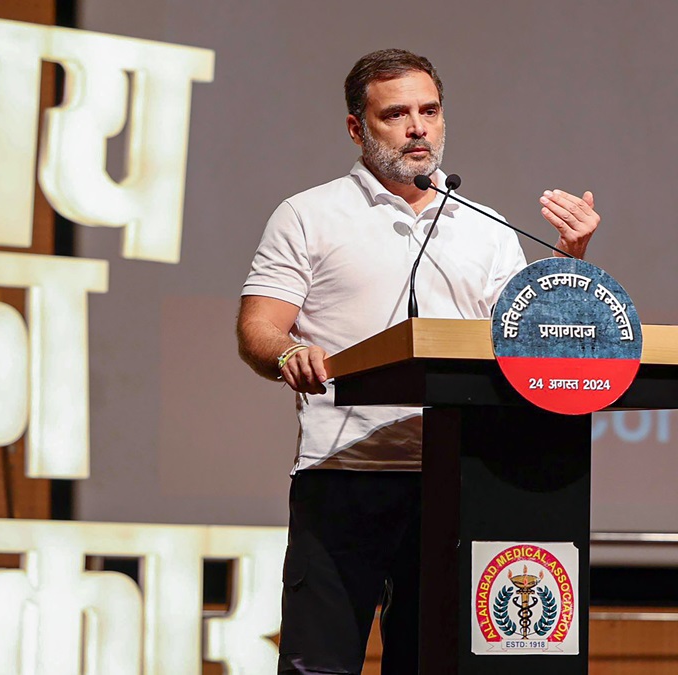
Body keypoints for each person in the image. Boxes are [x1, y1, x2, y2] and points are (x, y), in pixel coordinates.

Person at [235, 48, 600, 674]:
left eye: (429, 111)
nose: (416, 128)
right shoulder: (308, 215)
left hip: (455, 481)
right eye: (396, 114)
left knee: (432, 663)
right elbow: (257, 328)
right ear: (357, 128)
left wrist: (570, 260)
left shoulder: (485, 228)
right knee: (318, 665)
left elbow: (528, 340)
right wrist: (290, 351)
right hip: (344, 473)